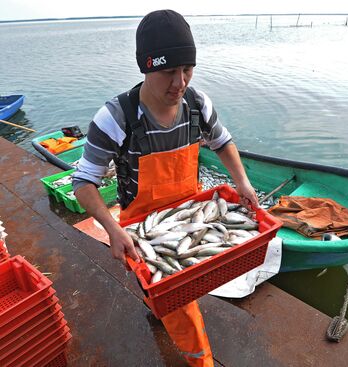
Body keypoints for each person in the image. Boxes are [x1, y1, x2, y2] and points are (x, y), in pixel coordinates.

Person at [72, 9, 259, 367]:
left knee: (171, 290)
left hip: (193, 213)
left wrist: (243, 183)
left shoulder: (197, 105)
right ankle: (201, 362)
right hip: (141, 227)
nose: (180, 82)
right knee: (184, 312)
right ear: (145, 67)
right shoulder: (116, 118)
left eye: (187, 69)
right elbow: (83, 183)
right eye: (168, 71)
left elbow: (222, 141)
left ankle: (155, 301)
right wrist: (112, 229)